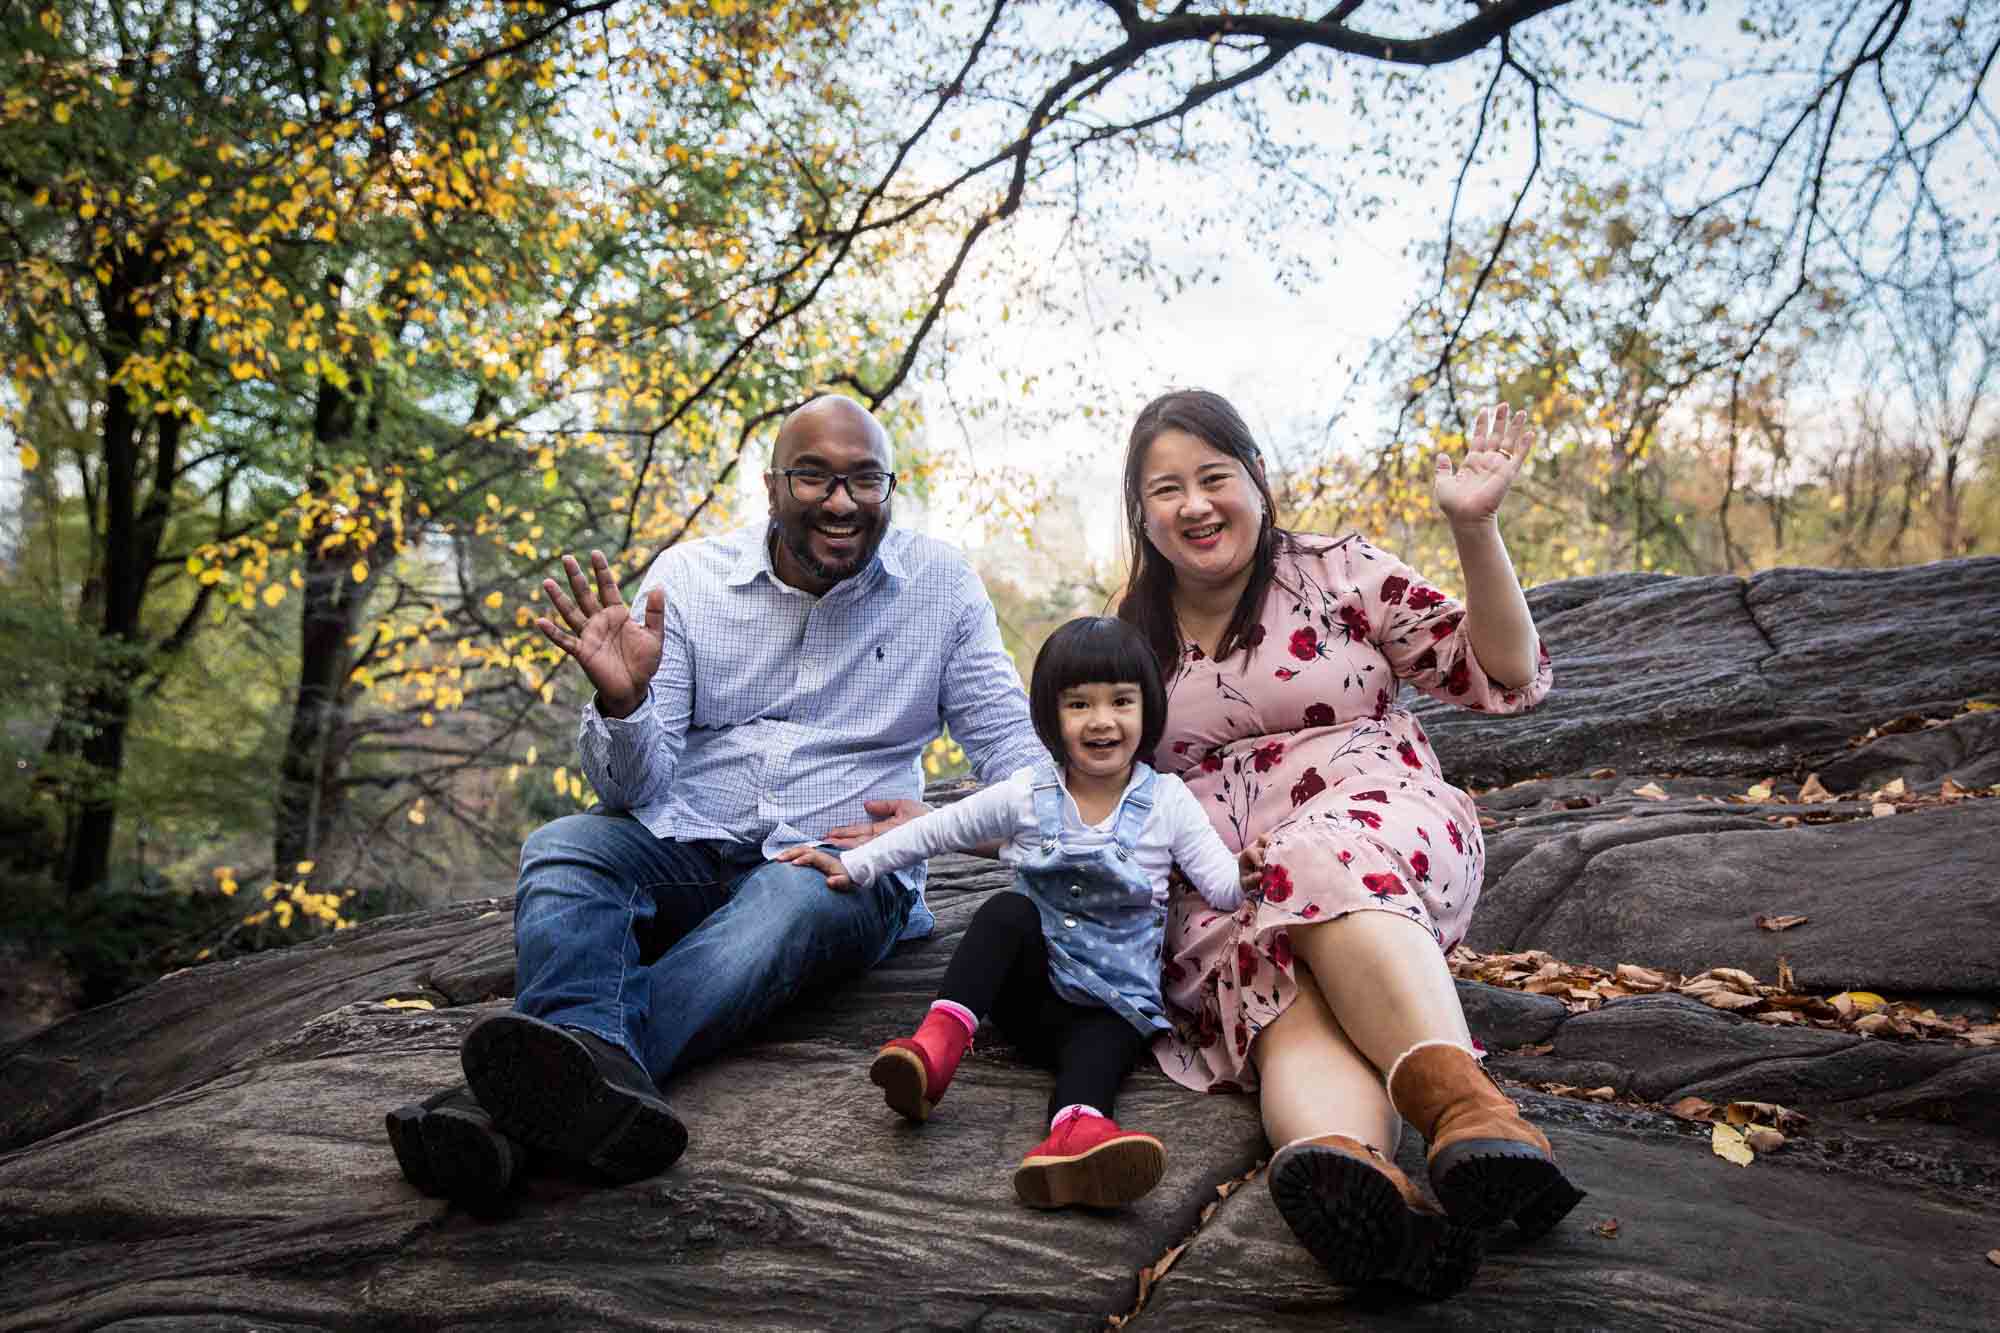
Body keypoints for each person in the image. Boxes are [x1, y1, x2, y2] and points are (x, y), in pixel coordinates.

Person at [384, 395, 1046, 1207]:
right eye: (814, 476)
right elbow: (634, 791)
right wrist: (626, 706)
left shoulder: (939, 587)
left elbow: (1027, 772)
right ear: (770, 486)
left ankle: (502, 1104)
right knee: (564, 847)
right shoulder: (689, 579)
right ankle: (581, 1086)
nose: (841, 501)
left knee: (784, 903)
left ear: (889, 489)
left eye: (864, 479)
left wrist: (933, 828)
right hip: (689, 846)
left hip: (834, 869)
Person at [1116, 389, 1579, 1297]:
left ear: (1256, 477)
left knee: (1313, 856)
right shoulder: (1131, 631)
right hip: (1222, 881)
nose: (1195, 504)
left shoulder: (1338, 570)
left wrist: (1476, 531)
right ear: (1141, 511)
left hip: (1375, 823)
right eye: (1165, 488)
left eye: (1214, 477)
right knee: (1274, 994)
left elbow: (1505, 672)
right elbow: (1080, 764)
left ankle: (1466, 1110)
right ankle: (1368, 1190)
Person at [779, 617, 1262, 1209]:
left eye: (1121, 701)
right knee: (1005, 912)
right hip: (1030, 995)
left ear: (1148, 710)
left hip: (1111, 1005)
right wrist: (855, 866)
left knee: (1099, 1059)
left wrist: (1247, 875)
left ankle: (1076, 1144)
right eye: (1079, 704)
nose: (1102, 720)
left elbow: (1219, 884)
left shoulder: (1168, 801)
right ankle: (936, 1048)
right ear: (1051, 718)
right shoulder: (1028, 792)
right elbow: (936, 828)